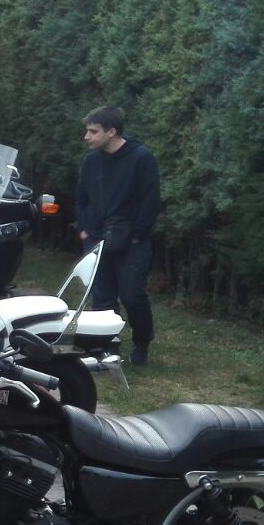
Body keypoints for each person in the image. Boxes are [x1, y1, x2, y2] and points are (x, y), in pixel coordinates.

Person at [76, 105, 159, 365]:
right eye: (87, 131)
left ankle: (142, 343)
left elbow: (150, 200)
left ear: (111, 132)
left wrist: (137, 235)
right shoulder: (91, 161)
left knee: (133, 296)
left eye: (93, 131)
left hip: (132, 242)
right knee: (102, 297)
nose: (87, 137)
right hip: (96, 239)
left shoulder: (141, 158)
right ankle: (105, 348)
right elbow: (82, 198)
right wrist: (84, 230)